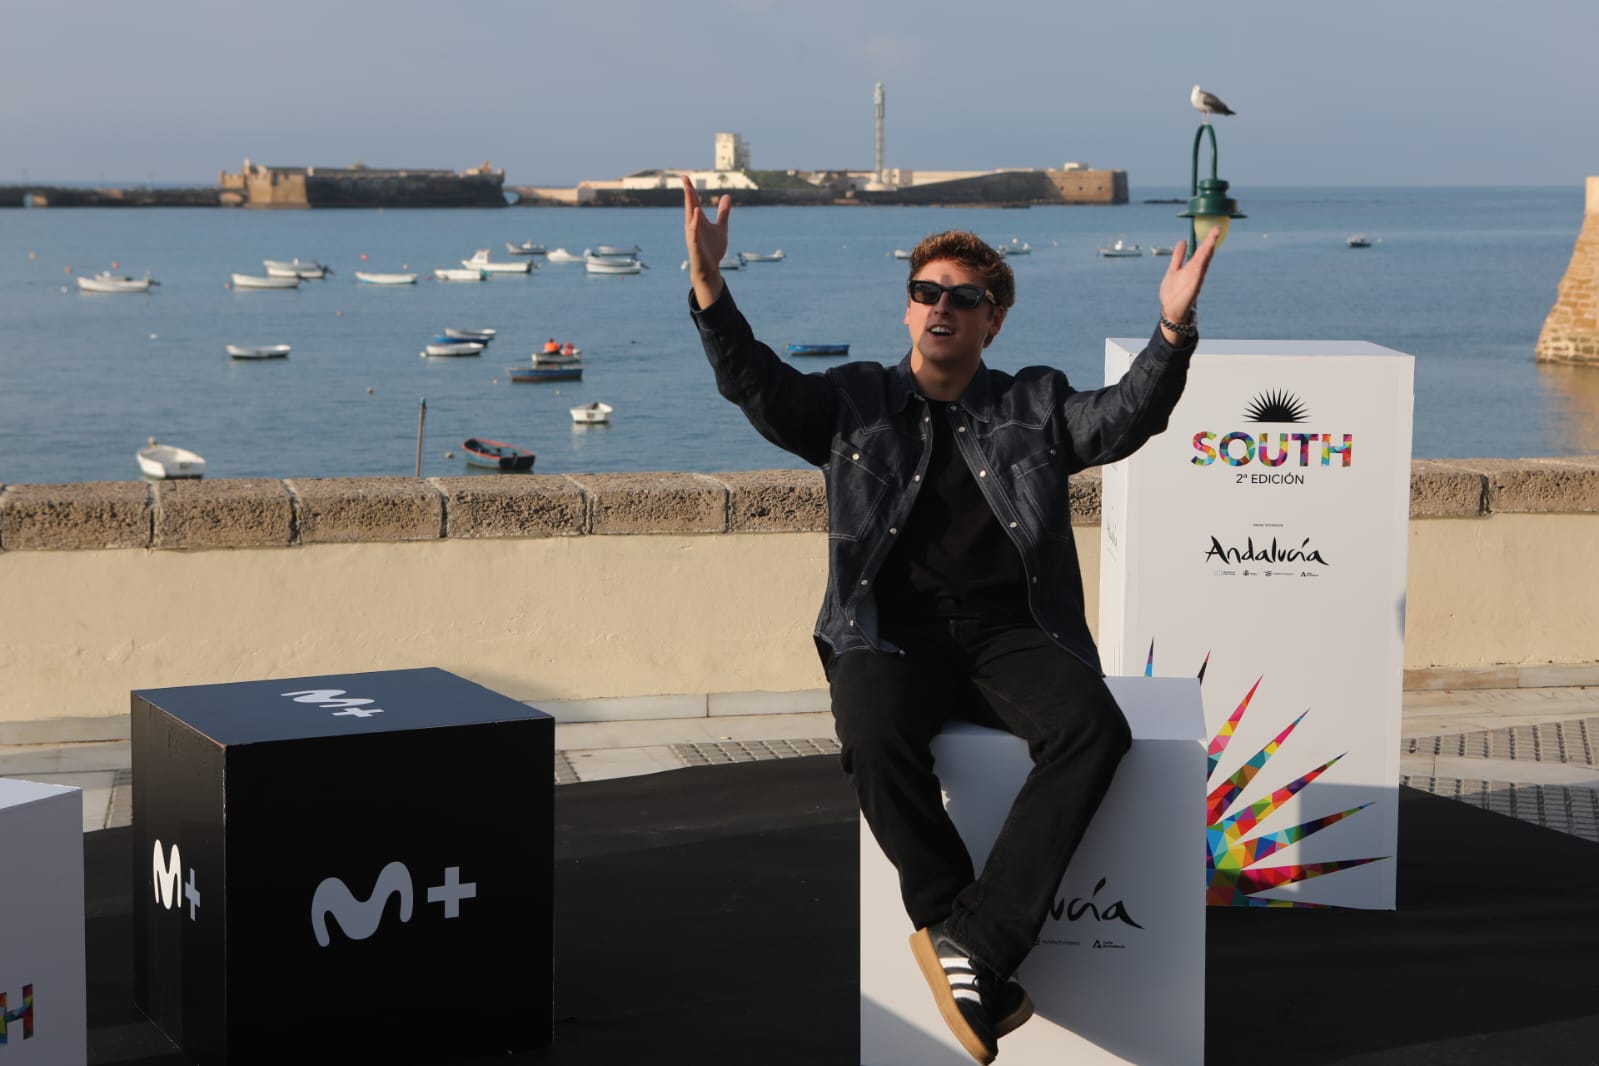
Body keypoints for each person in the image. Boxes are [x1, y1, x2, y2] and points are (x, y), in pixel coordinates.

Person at [682, 176, 1217, 1064]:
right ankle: (956, 931)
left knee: (1092, 727)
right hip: (888, 631)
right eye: (926, 293)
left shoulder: (1033, 403)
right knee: (870, 727)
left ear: (991, 319)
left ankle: (973, 941)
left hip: (1013, 632)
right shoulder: (852, 403)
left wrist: (1171, 330)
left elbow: (1126, 419)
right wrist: (708, 286)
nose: (941, 308)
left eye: (962, 298)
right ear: (907, 312)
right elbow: (756, 385)